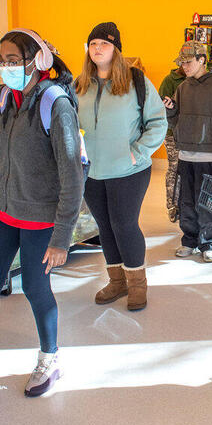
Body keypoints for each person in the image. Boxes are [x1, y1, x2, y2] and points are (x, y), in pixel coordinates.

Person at [0, 28, 84, 397]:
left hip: (41, 218)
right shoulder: (3, 98)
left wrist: (61, 238)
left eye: (12, 60)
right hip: (4, 213)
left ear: (37, 61)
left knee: (37, 288)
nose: (5, 67)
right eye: (1, 60)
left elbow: (73, 175)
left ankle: (50, 358)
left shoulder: (56, 104)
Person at [75, 22, 167, 310]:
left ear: (116, 49)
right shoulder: (79, 85)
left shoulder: (135, 81)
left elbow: (158, 122)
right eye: (93, 44)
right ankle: (117, 282)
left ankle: (137, 284)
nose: (98, 48)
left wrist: (137, 153)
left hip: (129, 170)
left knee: (124, 225)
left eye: (104, 43)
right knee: (104, 226)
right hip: (92, 171)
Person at [163, 42, 212, 263]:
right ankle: (189, 240)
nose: (184, 66)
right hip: (186, 154)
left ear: (202, 60)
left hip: (211, 155)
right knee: (186, 201)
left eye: (188, 62)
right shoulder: (182, 88)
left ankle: (209, 242)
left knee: (209, 203)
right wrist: (171, 110)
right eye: (182, 63)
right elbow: (177, 120)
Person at [158, 64, 187, 222]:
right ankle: (172, 205)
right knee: (174, 169)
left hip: (190, 135)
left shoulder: (197, 79)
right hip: (172, 134)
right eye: (183, 63)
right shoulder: (169, 81)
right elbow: (161, 108)